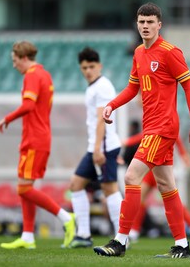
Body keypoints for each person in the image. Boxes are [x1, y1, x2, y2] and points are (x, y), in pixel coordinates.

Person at [93, 2, 190, 258]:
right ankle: (183, 245)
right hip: (151, 126)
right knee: (166, 184)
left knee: (131, 177)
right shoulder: (139, 54)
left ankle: (120, 241)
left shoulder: (170, 52)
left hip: (162, 127)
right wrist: (111, 105)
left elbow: (189, 87)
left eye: (150, 22)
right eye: (141, 22)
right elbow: (133, 89)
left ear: (159, 25)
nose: (145, 26)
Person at [0, 41, 75, 249]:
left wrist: (7, 118)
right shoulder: (45, 74)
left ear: (24, 58)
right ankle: (28, 236)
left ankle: (66, 217)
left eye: (15, 61)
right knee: (26, 187)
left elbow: (29, 105)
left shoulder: (32, 75)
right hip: (38, 136)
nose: (14, 65)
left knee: (23, 188)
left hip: (34, 138)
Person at [68, 47, 123, 248]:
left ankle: (121, 236)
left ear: (99, 66)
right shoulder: (92, 87)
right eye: (84, 67)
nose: (88, 70)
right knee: (76, 184)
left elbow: (102, 120)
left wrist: (99, 149)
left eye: (92, 66)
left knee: (110, 190)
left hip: (104, 146)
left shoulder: (103, 87)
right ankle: (83, 234)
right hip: (96, 147)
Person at [123, 132, 190, 243]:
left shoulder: (162, 123)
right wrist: (184, 155)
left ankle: (133, 232)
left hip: (156, 166)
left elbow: (146, 135)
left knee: (166, 199)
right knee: (155, 198)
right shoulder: (164, 125)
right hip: (157, 166)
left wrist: (127, 142)